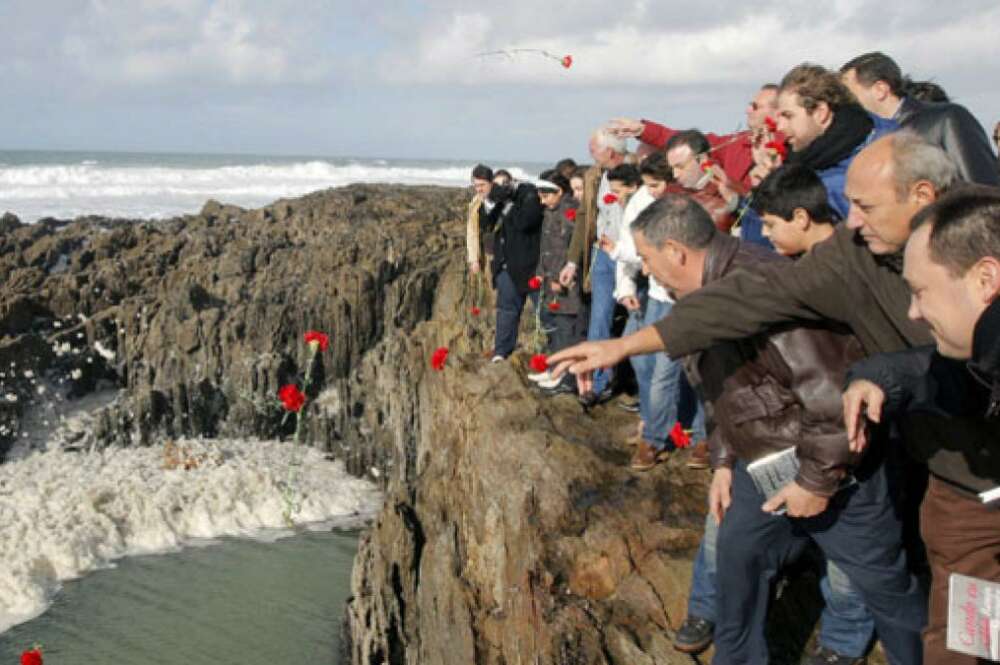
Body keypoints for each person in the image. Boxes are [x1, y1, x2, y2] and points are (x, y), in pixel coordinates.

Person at [629, 195, 925, 665]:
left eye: (645, 258)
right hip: (763, 459)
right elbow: (723, 389)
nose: (646, 270)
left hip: (839, 463)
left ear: (674, 251)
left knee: (881, 584)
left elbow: (832, 395)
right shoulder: (702, 297)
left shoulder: (762, 285)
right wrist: (724, 461)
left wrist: (814, 482)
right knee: (738, 558)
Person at [843, 185, 1000, 664]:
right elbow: (946, 373)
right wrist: (881, 377)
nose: (912, 312)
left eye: (920, 291)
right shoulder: (984, 352)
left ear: (985, 278)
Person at [840, 52, 999, 186]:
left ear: (880, 90)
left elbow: (980, 187)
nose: (844, 103)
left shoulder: (946, 120)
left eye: (848, 94)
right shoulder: (865, 142)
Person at [559, 127, 629, 405]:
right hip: (602, 254)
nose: (589, 153)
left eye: (594, 149)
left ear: (610, 151)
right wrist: (573, 261)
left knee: (634, 323)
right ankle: (596, 385)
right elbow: (584, 220)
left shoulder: (637, 173)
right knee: (599, 319)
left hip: (630, 256)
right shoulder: (593, 177)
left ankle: (630, 383)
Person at [777, 63, 897, 219]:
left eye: (788, 116)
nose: (780, 127)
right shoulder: (807, 161)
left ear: (820, 112)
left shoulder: (887, 153)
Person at [610, 84, 782, 192]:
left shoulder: (793, 148)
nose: (748, 110)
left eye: (755, 106)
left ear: (777, 112)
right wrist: (643, 130)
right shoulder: (737, 143)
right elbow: (689, 144)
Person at [531, 171, 586, 393]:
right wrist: (540, 273)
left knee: (567, 331)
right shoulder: (550, 212)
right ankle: (554, 368)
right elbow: (545, 249)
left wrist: (557, 278)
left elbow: (567, 250)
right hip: (550, 279)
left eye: (546, 196)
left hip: (566, 284)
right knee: (554, 329)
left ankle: (566, 378)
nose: (542, 202)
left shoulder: (570, 213)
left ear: (559, 191)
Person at [487, 177, 544, 361]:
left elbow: (525, 222)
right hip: (507, 266)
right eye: (497, 185)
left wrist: (511, 202)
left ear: (512, 182)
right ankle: (501, 351)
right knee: (506, 311)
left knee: (543, 312)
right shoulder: (501, 203)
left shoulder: (528, 195)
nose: (501, 189)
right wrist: (492, 200)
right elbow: (486, 222)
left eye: (504, 184)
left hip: (531, 266)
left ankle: (550, 352)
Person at [752, 165, 837, 256]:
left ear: (800, 218)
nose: (764, 233)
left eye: (770, 225)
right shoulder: (847, 242)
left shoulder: (824, 266)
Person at [664, 130, 738, 231]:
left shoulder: (732, 192)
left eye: (680, 166)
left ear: (702, 159)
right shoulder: (669, 194)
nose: (675, 175)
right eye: (672, 168)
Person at [467, 164, 497, 275]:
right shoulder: (475, 203)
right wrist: (474, 259)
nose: (479, 189)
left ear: (491, 182)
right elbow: (472, 232)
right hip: (487, 254)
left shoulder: (503, 200)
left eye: (482, 185)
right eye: (476, 185)